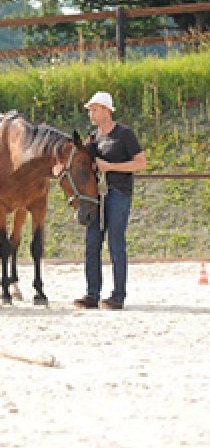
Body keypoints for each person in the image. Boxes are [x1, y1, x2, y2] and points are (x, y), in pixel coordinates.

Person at [74, 91, 147, 310]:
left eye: (95, 109)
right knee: (92, 242)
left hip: (119, 193)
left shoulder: (125, 134)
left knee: (116, 243)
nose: (91, 114)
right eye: (89, 110)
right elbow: (81, 159)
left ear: (107, 111)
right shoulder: (93, 137)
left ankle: (118, 296)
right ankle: (92, 294)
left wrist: (110, 167)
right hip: (98, 197)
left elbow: (140, 163)